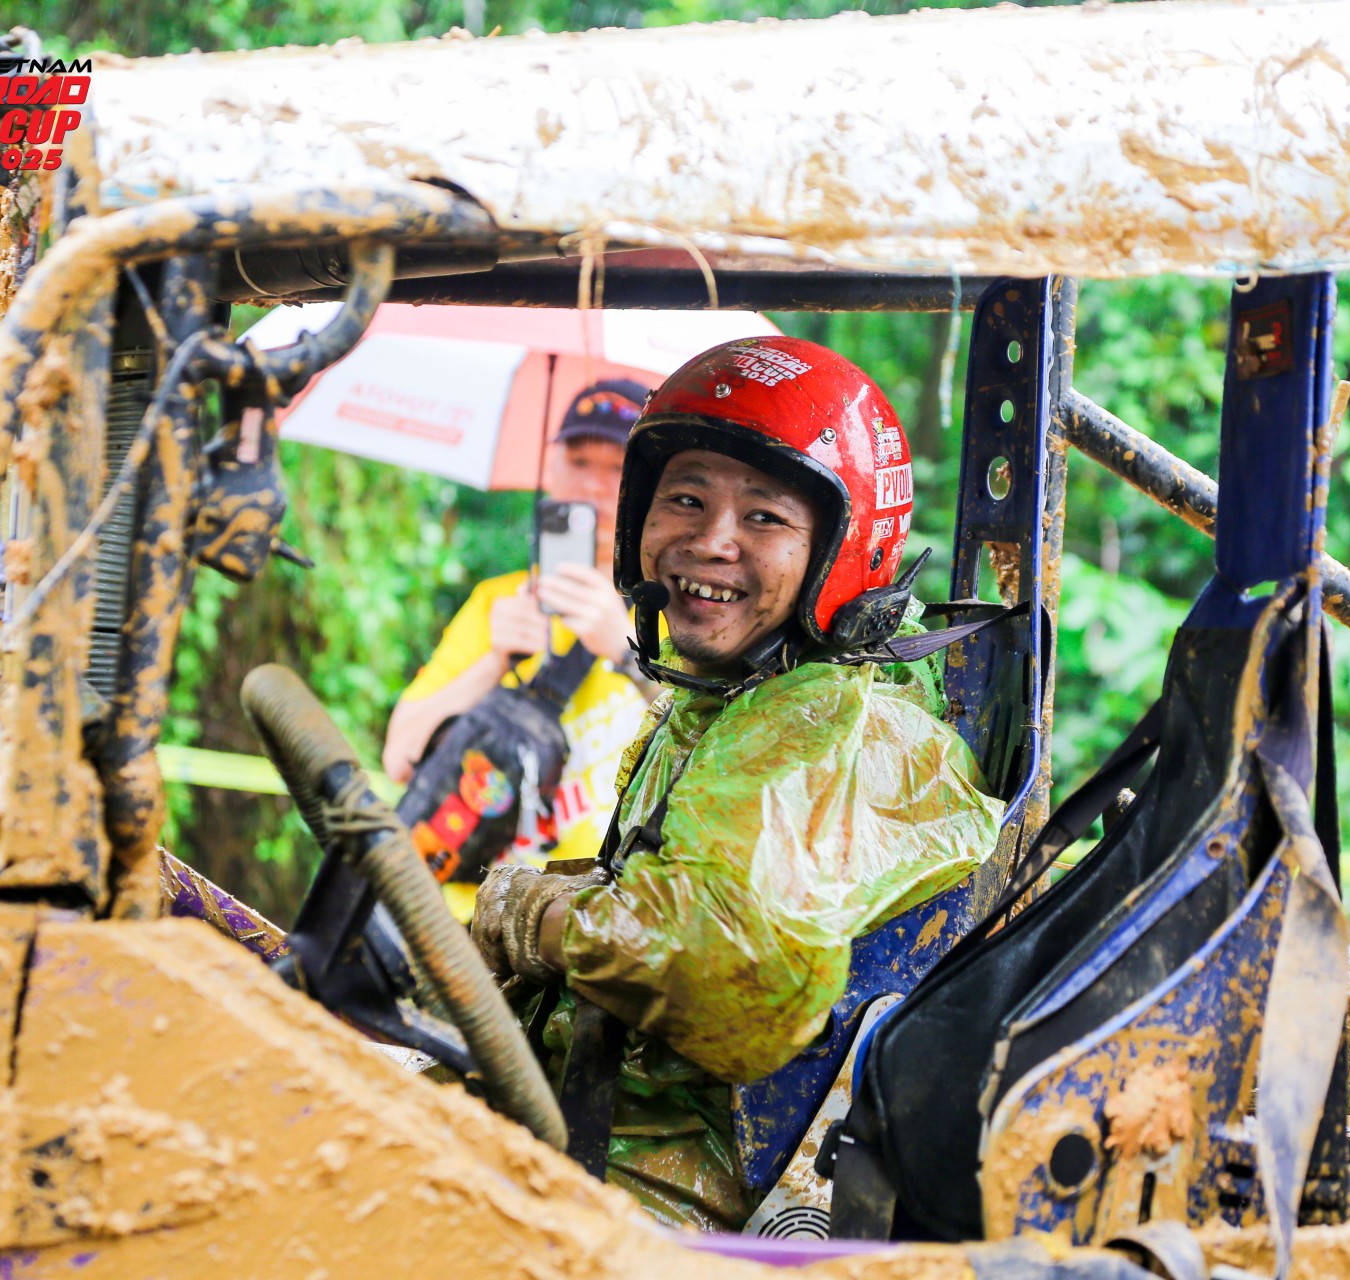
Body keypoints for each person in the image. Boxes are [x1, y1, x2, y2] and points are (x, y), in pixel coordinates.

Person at [469, 337, 1004, 1230]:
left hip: (667, 1194)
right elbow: (692, 884)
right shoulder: (723, 701)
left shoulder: (823, 725)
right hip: (579, 1125)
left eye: (764, 518)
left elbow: (727, 972)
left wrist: (533, 917)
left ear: (841, 551)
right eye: (684, 499)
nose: (708, 542)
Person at [382, 379, 657, 894]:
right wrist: (493, 660)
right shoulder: (499, 601)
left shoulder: (670, 619)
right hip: (470, 917)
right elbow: (400, 754)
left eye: (616, 468)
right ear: (550, 473)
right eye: (578, 463)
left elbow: (708, 755)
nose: (594, 487)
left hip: (594, 919)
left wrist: (625, 652)